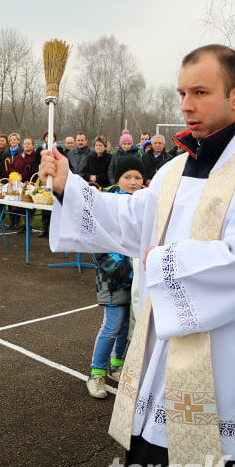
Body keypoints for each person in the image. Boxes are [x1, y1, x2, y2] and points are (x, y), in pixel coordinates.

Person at [40, 44, 235, 467]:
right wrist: (68, 188)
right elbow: (135, 220)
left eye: (200, 92)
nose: (186, 105)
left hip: (232, 362)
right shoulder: (178, 167)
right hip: (169, 351)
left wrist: (159, 262)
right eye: (181, 93)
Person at [86, 155, 145, 399]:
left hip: (138, 279)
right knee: (113, 324)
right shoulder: (106, 204)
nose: (133, 182)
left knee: (127, 326)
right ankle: (96, 374)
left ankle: (116, 366)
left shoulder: (144, 203)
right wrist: (125, 271)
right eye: (127, 177)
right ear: (117, 178)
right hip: (113, 277)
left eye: (138, 177)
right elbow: (99, 245)